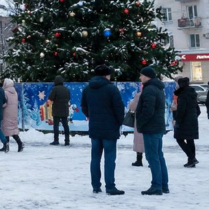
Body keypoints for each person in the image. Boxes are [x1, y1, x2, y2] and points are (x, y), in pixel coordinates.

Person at [81, 65, 125, 195]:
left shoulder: (88, 89)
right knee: (110, 158)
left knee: (95, 158)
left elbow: (84, 106)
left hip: (95, 128)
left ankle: (95, 186)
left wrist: (90, 116)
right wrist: (119, 122)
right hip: (110, 128)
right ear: (106, 75)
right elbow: (119, 108)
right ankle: (110, 186)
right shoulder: (112, 89)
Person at [135, 66, 168, 195]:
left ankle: (156, 186)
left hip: (151, 127)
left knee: (152, 157)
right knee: (159, 156)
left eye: (141, 75)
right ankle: (163, 184)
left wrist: (140, 124)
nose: (140, 77)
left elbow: (148, 110)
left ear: (147, 76)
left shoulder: (149, 90)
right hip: (157, 126)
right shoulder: (158, 88)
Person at [174, 77, 200, 167]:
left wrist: (178, 120)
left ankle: (192, 158)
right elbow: (198, 110)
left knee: (179, 139)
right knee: (190, 139)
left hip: (184, 120)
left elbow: (181, 110)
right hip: (193, 120)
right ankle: (191, 161)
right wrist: (193, 117)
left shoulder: (183, 95)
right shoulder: (192, 94)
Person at [48, 75, 71, 146]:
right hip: (65, 109)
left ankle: (56, 140)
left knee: (56, 125)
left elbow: (51, 98)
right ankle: (67, 140)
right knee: (65, 125)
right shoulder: (66, 89)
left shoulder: (55, 89)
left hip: (57, 109)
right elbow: (68, 98)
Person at [2, 79, 23, 152]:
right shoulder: (15, 92)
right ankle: (19, 143)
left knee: (6, 128)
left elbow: (5, 103)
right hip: (14, 112)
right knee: (12, 128)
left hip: (6, 112)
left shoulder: (5, 92)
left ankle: (6, 145)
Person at [129, 86, 145, 166]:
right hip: (152, 121)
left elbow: (133, 107)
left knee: (139, 139)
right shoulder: (157, 93)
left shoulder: (139, 95)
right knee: (150, 141)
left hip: (139, 119)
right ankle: (151, 160)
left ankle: (139, 160)